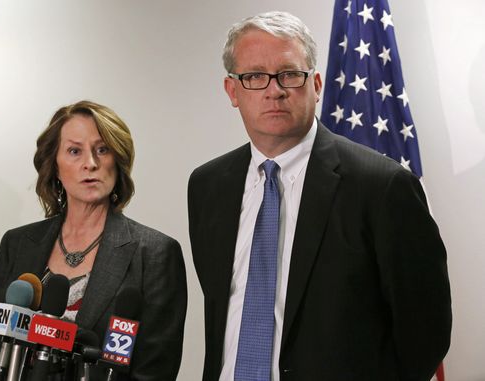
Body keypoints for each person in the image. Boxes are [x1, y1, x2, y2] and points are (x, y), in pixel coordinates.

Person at [188, 11, 451, 381]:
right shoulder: (207, 186)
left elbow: (426, 332)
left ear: (316, 83)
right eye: (254, 76)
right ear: (232, 91)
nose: (274, 89)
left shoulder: (383, 186)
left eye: (289, 74)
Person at [0, 100, 187, 380]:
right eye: (75, 151)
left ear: (118, 160)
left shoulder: (156, 253)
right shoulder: (17, 244)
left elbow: (155, 370)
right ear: (55, 166)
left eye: (102, 150)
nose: (91, 163)